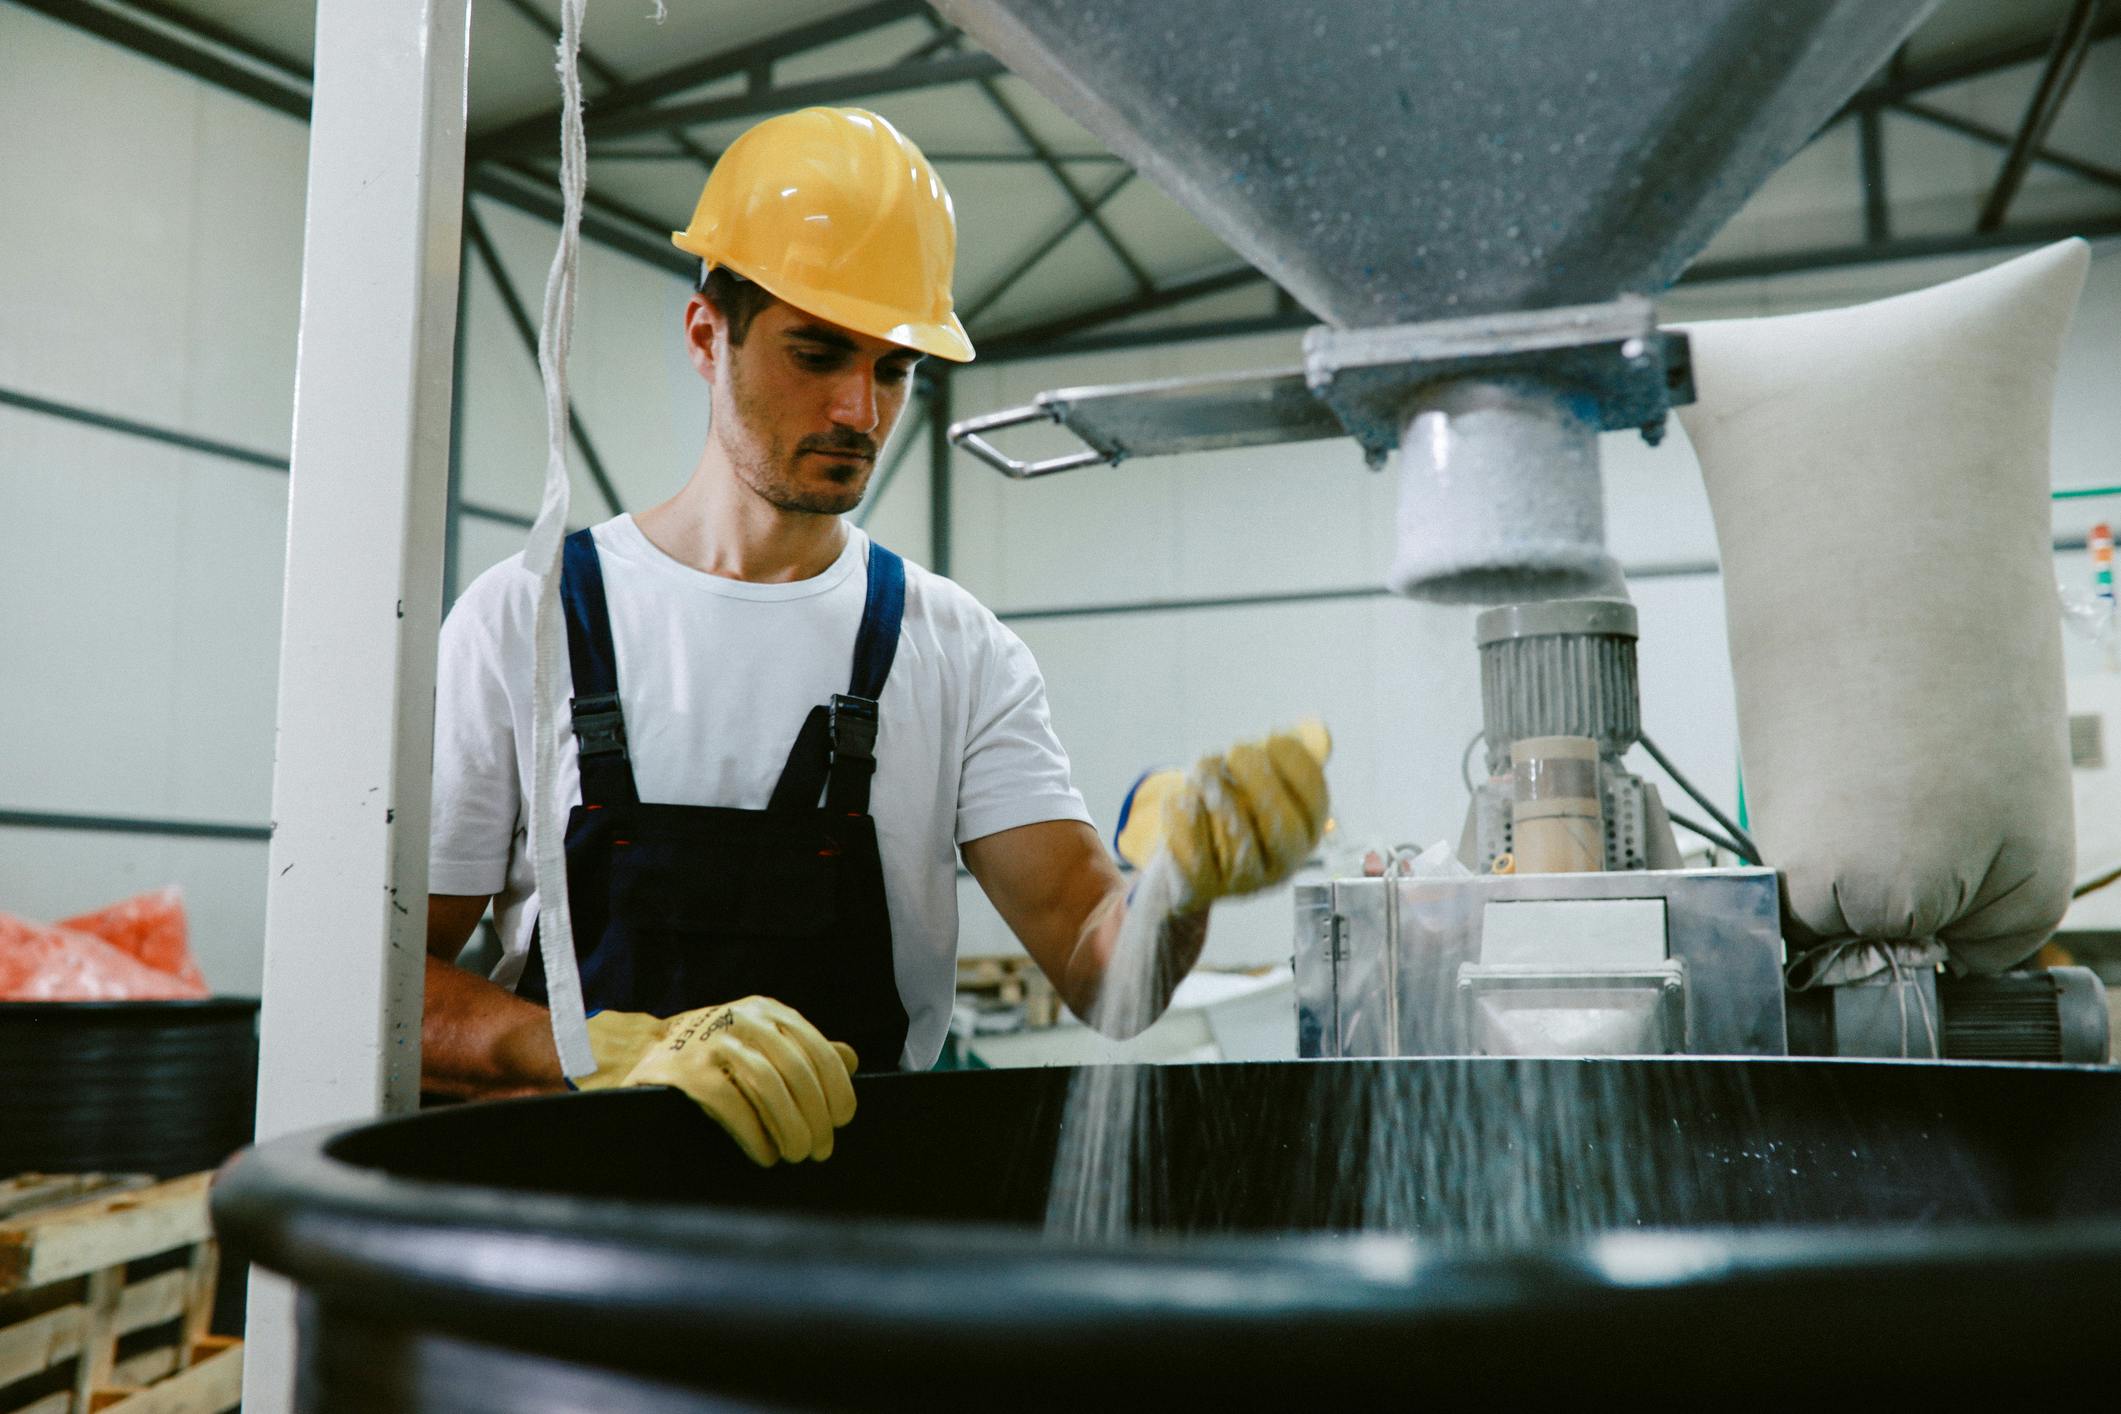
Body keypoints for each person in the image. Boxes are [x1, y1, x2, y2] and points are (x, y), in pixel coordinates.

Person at [418, 106, 1328, 1166]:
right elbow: (395, 981)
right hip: (562, 1249)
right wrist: (577, 1048)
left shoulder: (956, 649)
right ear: (709, 337)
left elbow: (1100, 968)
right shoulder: (527, 621)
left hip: (851, 1248)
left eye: (895, 369)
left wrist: (1179, 885)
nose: (860, 408)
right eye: (818, 352)